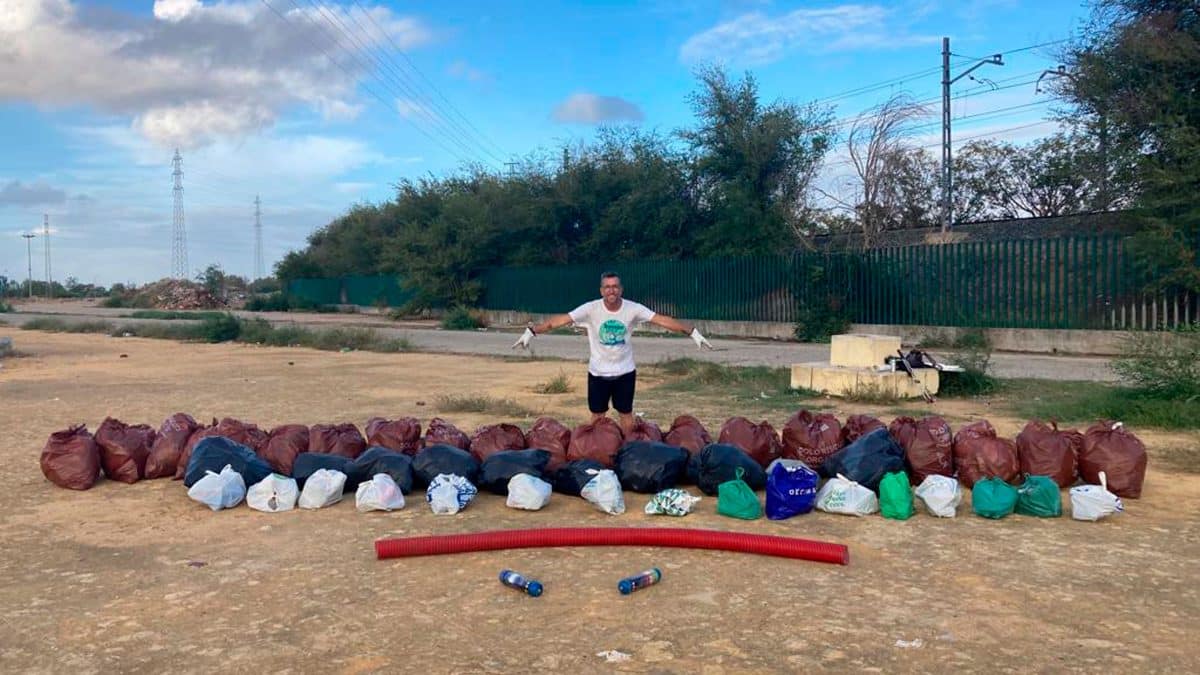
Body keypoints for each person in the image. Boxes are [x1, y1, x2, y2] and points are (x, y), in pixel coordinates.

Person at [512, 271, 714, 435]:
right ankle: (597, 451)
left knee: (626, 415)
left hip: (625, 372)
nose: (612, 290)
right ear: (602, 290)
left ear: (621, 289)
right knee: (598, 416)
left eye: (615, 286)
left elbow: (661, 320)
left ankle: (628, 452)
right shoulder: (590, 309)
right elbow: (559, 321)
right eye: (607, 287)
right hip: (598, 373)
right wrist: (532, 331)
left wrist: (691, 331)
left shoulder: (633, 309)